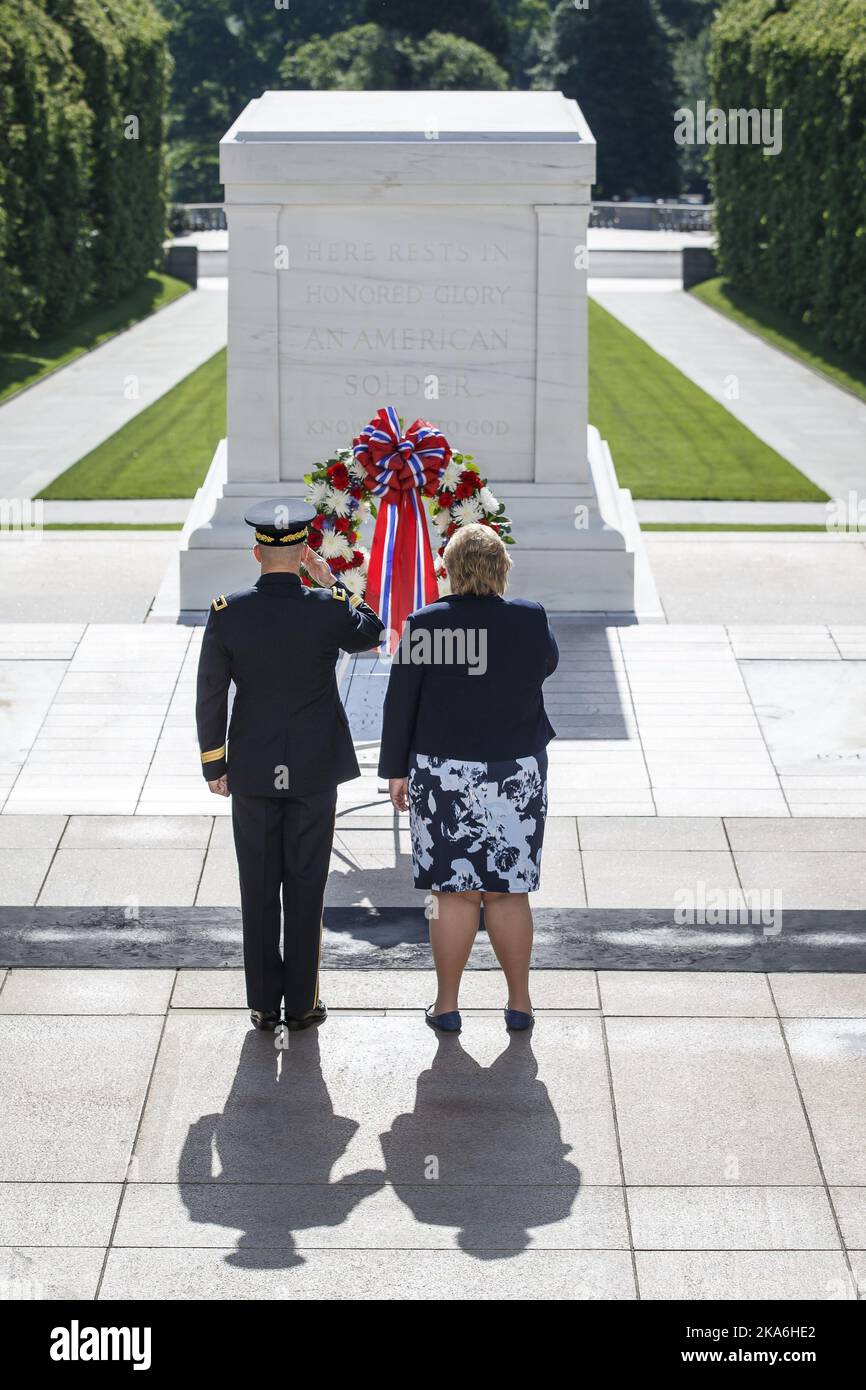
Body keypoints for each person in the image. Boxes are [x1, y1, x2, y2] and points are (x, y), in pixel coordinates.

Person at [195, 500, 382, 1033]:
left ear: (257, 553)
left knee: (257, 888)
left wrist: (215, 763)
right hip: (312, 768)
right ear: (303, 554)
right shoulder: (326, 607)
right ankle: (301, 1004)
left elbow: (211, 695)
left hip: (253, 768)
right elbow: (371, 632)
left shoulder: (228, 611)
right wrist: (333, 581)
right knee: (306, 885)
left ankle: (262, 1005)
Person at [378, 523, 558, 1035]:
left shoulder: (424, 624)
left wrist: (394, 770)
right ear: (502, 568)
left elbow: (401, 704)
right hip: (515, 772)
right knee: (508, 892)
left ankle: (448, 1005)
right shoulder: (530, 618)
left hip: (443, 776)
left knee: (452, 892)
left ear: (450, 571)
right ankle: (520, 1004)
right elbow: (546, 664)